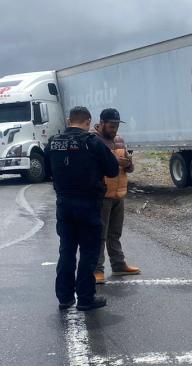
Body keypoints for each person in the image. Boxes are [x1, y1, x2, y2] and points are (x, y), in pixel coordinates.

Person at [47, 106, 119, 311]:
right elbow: (113, 170)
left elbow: (47, 169)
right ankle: (86, 298)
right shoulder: (92, 143)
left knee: (66, 250)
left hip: (64, 204)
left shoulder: (53, 142)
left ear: (70, 120)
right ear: (88, 122)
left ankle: (64, 297)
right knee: (89, 252)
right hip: (88, 204)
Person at [91, 108, 141, 284]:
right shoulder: (93, 140)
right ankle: (97, 270)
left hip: (119, 193)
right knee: (99, 234)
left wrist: (128, 165)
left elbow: (129, 167)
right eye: (111, 126)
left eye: (117, 126)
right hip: (102, 194)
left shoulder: (119, 140)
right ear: (102, 123)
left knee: (115, 233)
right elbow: (92, 166)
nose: (115, 130)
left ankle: (118, 265)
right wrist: (114, 161)